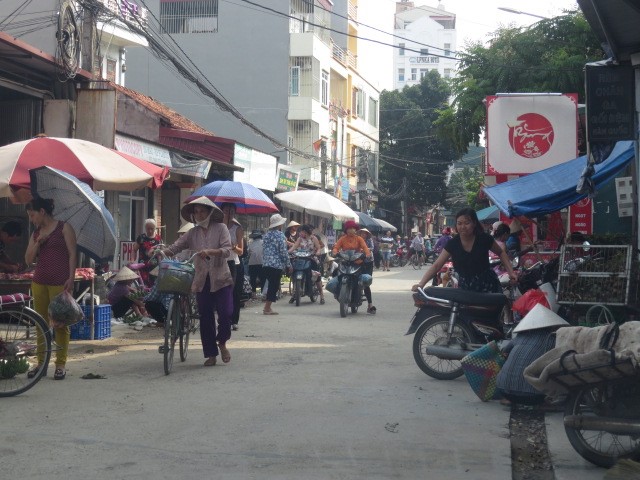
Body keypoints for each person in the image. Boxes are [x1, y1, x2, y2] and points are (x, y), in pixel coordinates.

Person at [161, 196, 233, 367]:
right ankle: (210, 354)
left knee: (226, 314)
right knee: (205, 317)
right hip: (201, 280)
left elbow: (227, 250)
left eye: (202, 211)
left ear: (209, 212)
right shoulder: (191, 233)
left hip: (221, 278)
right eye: (196, 212)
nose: (199, 215)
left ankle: (222, 341)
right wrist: (162, 251)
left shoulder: (221, 228)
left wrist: (211, 251)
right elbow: (176, 246)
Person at [25, 197, 77, 381]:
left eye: (32, 215)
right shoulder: (36, 233)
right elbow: (28, 259)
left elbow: (72, 254)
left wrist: (71, 277)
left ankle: (61, 365)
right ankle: (41, 363)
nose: (32, 219)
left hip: (60, 283)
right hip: (39, 281)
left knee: (60, 324)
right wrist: (39, 242)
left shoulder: (64, 227)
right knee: (41, 324)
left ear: (42, 211)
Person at [412, 207, 517, 294]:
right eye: (459, 223)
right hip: (465, 287)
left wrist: (511, 273)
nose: (463, 226)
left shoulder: (484, 238)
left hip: (487, 285)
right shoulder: (453, 243)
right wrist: (421, 284)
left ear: (474, 223)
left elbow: (501, 253)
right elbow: (437, 265)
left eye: (467, 223)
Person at [221, 203, 244, 331]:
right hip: (218, 262)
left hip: (232, 263)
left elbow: (241, 251)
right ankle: (223, 317)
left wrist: (233, 246)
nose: (228, 213)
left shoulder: (237, 228)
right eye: (225, 210)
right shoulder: (217, 226)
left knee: (232, 292)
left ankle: (233, 320)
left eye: (231, 211)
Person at [262, 214, 291, 315]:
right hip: (276, 265)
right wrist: (289, 264)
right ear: (279, 225)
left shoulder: (266, 235)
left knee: (271, 285)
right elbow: (283, 251)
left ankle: (268, 307)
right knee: (273, 286)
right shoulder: (280, 235)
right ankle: (267, 308)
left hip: (266, 264)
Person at [288, 224, 325, 304]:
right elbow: (294, 247)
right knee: (293, 271)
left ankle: (321, 295)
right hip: (300, 258)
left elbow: (318, 248)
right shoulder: (299, 239)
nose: (300, 233)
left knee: (316, 276)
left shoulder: (313, 238)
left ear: (306, 232)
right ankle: (295, 293)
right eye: (300, 232)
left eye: (302, 232)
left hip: (311, 258)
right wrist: (288, 252)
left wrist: (318, 252)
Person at [133, 218, 162, 286]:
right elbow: (134, 250)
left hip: (154, 267)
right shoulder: (141, 237)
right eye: (148, 228)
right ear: (145, 228)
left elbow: (161, 252)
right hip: (143, 266)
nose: (150, 230)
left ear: (155, 228)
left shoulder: (158, 239)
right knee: (143, 286)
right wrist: (132, 260)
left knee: (154, 285)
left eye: (152, 228)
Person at [357, 228, 377, 314]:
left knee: (366, 283)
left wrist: (365, 249)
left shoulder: (369, 240)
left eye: (365, 233)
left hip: (368, 262)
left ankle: (370, 305)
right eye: (362, 233)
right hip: (357, 261)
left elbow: (371, 248)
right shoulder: (357, 240)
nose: (363, 235)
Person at [247, 230, 264, 296]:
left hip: (252, 263)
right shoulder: (263, 242)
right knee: (262, 278)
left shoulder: (250, 244)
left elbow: (248, 253)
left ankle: (253, 293)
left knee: (253, 279)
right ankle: (263, 292)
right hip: (262, 262)